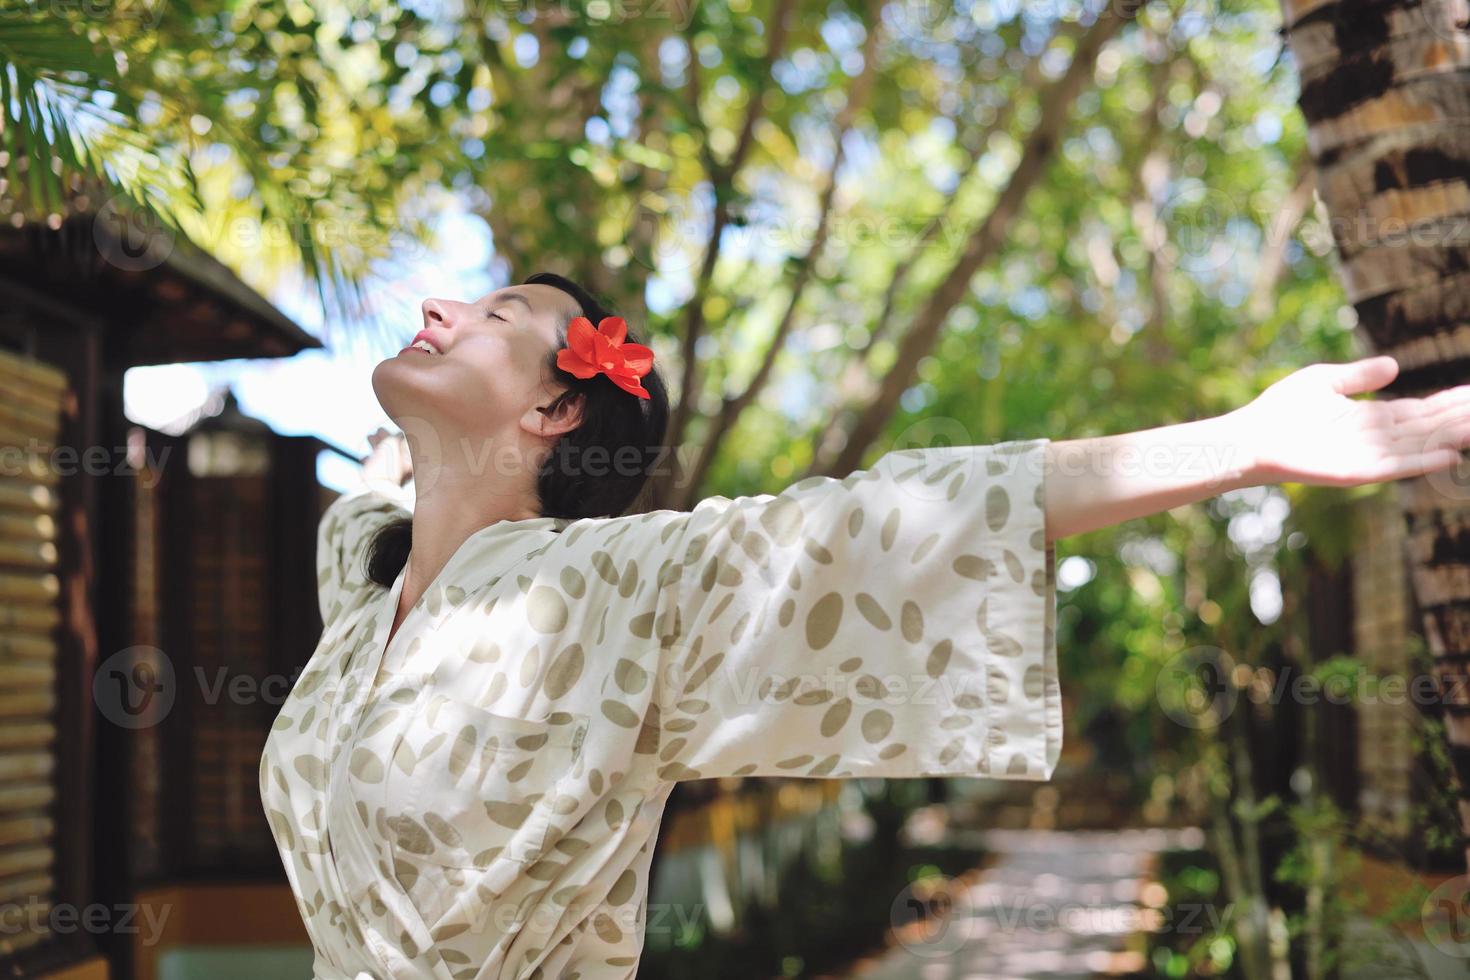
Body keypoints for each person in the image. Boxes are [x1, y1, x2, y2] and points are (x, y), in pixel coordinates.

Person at [260, 270, 1470, 980]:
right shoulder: (364, 589)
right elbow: (378, 488)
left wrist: (1243, 446)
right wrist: (407, 452)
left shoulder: (611, 591)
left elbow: (879, 523)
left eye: (499, 310)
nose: (440, 302)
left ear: (555, 407)